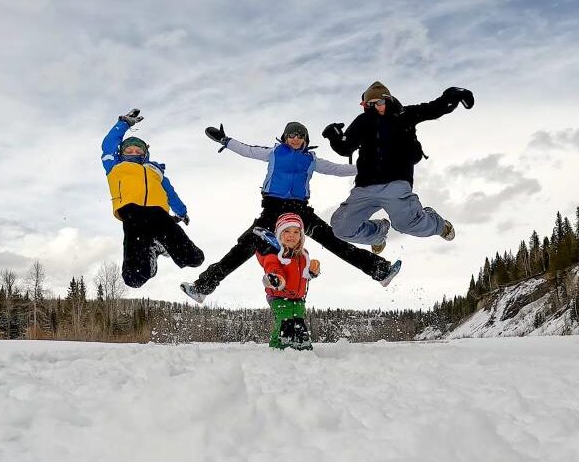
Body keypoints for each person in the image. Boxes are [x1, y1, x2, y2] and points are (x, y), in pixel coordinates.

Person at [179, 120, 401, 304]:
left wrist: (373, 168)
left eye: (300, 136)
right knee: (243, 248)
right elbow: (247, 150)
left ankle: (380, 271)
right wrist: (225, 141)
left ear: (306, 140)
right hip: (272, 211)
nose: (295, 139)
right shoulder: (274, 153)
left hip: (300, 211)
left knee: (334, 241)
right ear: (284, 138)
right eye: (291, 136)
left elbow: (338, 169)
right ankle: (202, 287)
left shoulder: (311, 160)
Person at [321, 81, 474, 254]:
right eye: (370, 104)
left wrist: (454, 95)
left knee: (407, 225)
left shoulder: (404, 114)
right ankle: (377, 234)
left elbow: (434, 108)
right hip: (365, 186)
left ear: (388, 100)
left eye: (380, 102)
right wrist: (334, 136)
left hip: (396, 181)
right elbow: (345, 147)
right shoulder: (363, 122)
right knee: (341, 228)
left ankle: (438, 224)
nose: (376, 107)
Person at [101, 109, 204, 288]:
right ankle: (153, 251)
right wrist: (124, 123)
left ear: (144, 154)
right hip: (132, 216)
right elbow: (108, 144)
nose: (133, 152)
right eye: (129, 150)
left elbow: (170, 193)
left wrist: (181, 211)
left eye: (137, 150)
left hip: (159, 215)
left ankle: (157, 245)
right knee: (133, 278)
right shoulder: (114, 165)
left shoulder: (155, 171)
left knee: (195, 259)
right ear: (121, 153)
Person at [256, 213, 319, 350]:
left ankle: (302, 347)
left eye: (296, 232)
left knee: (298, 323)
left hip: (298, 298)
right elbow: (272, 267)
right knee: (285, 322)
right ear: (279, 234)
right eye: (287, 231)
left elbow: (306, 275)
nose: (292, 235)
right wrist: (276, 278)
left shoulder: (303, 255)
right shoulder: (273, 254)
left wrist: (313, 270)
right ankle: (278, 348)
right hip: (279, 296)